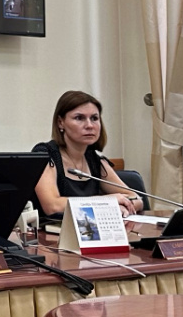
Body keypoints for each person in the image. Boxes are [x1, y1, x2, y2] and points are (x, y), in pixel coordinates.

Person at [32, 90, 140, 221]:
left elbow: (136, 198)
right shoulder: (45, 154)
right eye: (79, 118)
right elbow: (52, 206)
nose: (89, 125)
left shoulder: (94, 159)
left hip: (89, 231)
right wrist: (106, 202)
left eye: (94, 118)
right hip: (49, 232)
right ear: (60, 122)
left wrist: (119, 206)